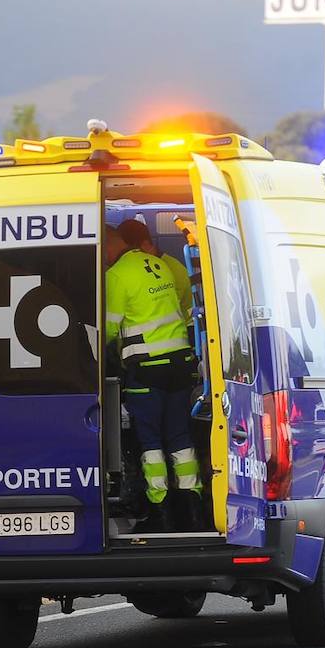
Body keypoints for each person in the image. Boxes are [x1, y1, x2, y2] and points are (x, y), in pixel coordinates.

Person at [105, 223, 206, 533]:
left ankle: (160, 510)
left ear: (111, 244)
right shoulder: (159, 265)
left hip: (147, 369)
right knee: (179, 438)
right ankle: (192, 507)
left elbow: (107, 329)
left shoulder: (118, 275)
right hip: (180, 365)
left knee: (150, 441)